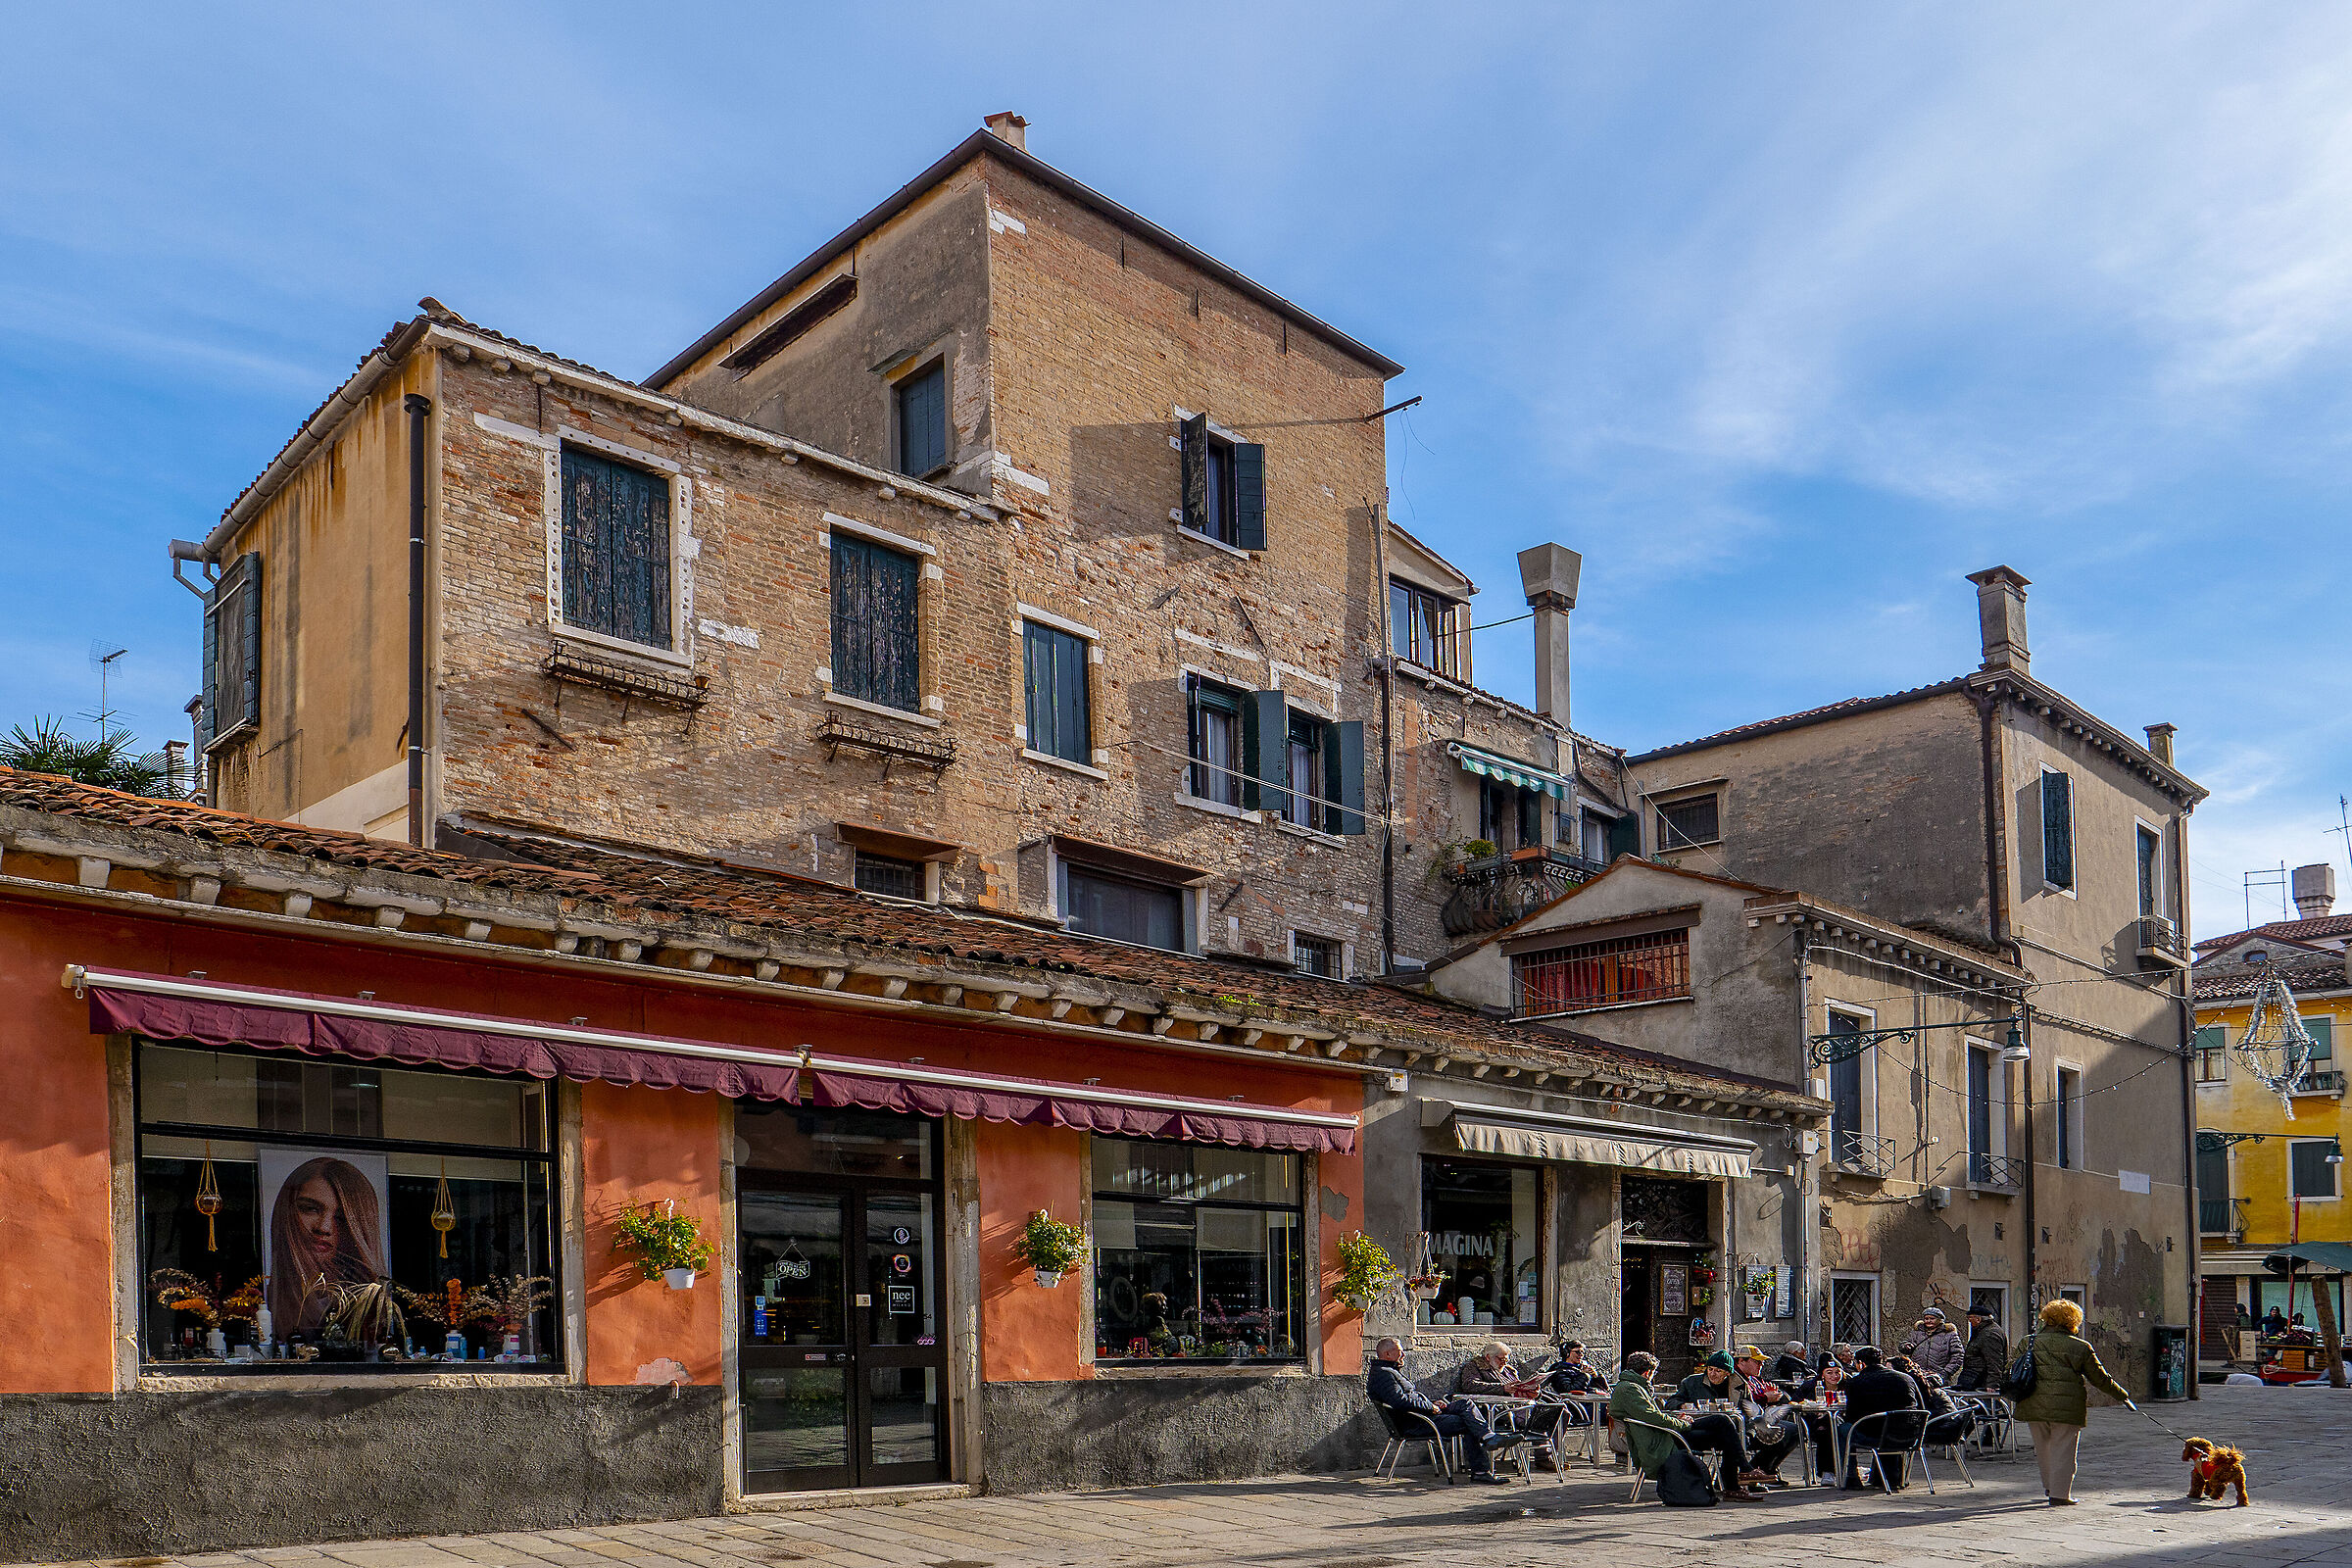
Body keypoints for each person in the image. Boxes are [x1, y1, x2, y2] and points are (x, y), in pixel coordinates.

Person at [2012, 1298, 2134, 1505]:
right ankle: (2060, 1494)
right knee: (2064, 1450)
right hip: (2066, 1407)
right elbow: (2100, 1378)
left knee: (2043, 1449)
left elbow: (2011, 1368)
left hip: (2033, 1402)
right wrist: (2122, 1396)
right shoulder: (2080, 1346)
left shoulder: (2028, 1341)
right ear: (2073, 1320)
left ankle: (2050, 1487)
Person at [1609, 1349, 1762, 1499]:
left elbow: (1654, 1416)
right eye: (1711, 1369)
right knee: (1723, 1424)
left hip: (1666, 1432)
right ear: (1647, 1373)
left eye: (1718, 1371)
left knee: (1725, 1430)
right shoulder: (1631, 1389)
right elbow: (1654, 1417)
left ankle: (1735, 1482)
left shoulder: (1632, 1387)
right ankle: (1739, 1477)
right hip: (1664, 1439)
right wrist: (1682, 1423)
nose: (1713, 1373)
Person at [1367, 1337, 1518, 1483]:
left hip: (1423, 1415)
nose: (1404, 1354)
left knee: (1465, 1405)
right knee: (1470, 1422)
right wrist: (1429, 1407)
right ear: (1387, 1354)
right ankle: (1482, 1466)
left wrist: (1432, 1403)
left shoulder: (1388, 1371)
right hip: (1417, 1423)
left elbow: (1407, 1398)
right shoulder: (1383, 1374)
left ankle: (1488, 1438)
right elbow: (1400, 1401)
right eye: (1400, 1351)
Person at [268, 1154, 387, 1337]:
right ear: (286, 1212)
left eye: (341, 1218)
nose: (323, 1228)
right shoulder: (262, 1299)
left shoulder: (368, 1304)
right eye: (311, 1209)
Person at [1457, 1341, 1567, 1457]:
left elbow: (1518, 1387)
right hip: (1499, 1409)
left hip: (1519, 1404)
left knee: (1562, 1413)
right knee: (1536, 1416)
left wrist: (1534, 1393)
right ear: (1488, 1357)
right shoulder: (1475, 1367)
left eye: (1506, 1360)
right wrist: (1502, 1388)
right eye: (1501, 1359)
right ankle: (1543, 1456)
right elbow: (1470, 1385)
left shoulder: (1508, 1370)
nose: (1504, 1362)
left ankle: (1550, 1453)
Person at [1838, 1346, 1924, 1490]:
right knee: (1887, 1426)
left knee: (1843, 1429)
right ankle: (1888, 1477)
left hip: (1876, 1435)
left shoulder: (1856, 1382)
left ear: (1861, 1364)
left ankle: (1850, 1477)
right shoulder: (1906, 1378)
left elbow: (1852, 1416)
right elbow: (1920, 1407)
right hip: (1909, 1434)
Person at [1733, 1348, 1808, 1483]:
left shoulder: (1754, 1379)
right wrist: (1765, 1398)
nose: (1761, 1365)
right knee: (1785, 1431)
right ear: (1741, 1361)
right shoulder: (1735, 1378)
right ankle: (1756, 1470)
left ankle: (1767, 1469)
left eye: (1761, 1363)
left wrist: (1772, 1396)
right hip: (1747, 1424)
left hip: (1761, 1420)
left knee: (1797, 1431)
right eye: (1757, 1362)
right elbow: (1741, 1402)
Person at [1544, 1340, 1602, 1425]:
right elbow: (1569, 1390)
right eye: (1577, 1352)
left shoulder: (1582, 1367)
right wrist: (1584, 1375)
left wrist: (1596, 1377)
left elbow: (1606, 1388)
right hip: (1577, 1407)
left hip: (1591, 1401)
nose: (1581, 1355)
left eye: (1582, 1352)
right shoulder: (1561, 1370)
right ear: (1567, 1353)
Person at [1901, 1306, 1966, 1383]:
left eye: (1932, 1319)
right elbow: (1904, 1345)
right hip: (1917, 1374)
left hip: (1938, 1376)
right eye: (1926, 1318)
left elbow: (1958, 1355)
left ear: (1939, 1320)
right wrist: (1906, 1346)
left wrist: (1947, 1372)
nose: (1929, 1321)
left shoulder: (1949, 1334)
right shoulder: (1917, 1333)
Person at [1958, 1304, 2009, 1392]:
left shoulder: (1989, 1334)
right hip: (1977, 1378)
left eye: (1970, 1319)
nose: (1969, 1322)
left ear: (1978, 1319)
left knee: (1986, 1404)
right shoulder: (1982, 1331)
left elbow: (1994, 1360)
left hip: (1982, 1380)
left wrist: (1992, 1384)